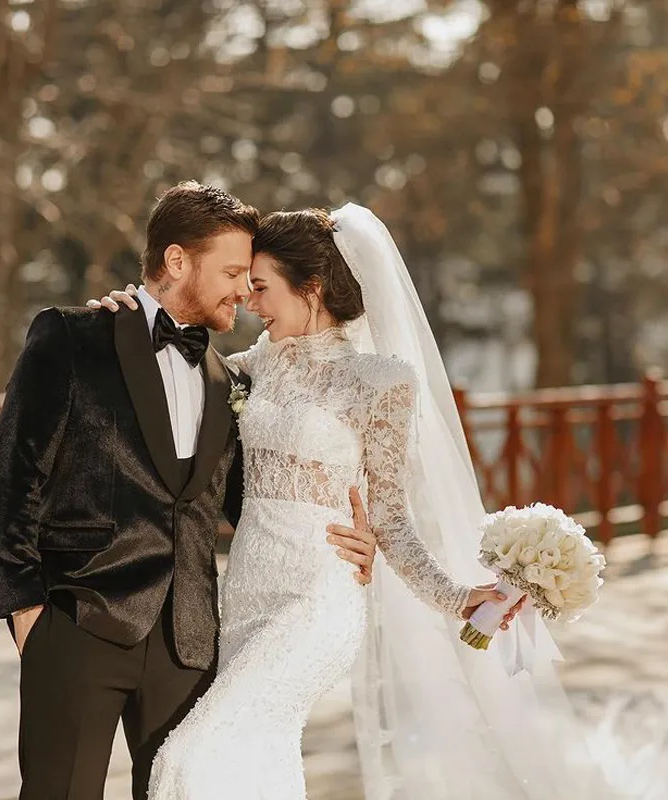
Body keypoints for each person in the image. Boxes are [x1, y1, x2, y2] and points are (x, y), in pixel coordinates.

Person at [92, 202, 534, 800]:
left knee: (190, 759)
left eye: (261, 287)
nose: (249, 302)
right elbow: (168, 366)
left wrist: (457, 597)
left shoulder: (382, 381)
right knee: (259, 760)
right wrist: (121, 317)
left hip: (316, 600)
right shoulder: (247, 369)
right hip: (243, 596)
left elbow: (391, 519)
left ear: (314, 289)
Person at [0, 183, 383, 800]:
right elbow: (12, 478)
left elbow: (257, 496)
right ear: (175, 262)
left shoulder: (231, 377)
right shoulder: (72, 337)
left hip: (189, 643)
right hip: (79, 622)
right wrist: (27, 612)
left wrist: (348, 539)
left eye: (251, 278)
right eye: (231, 272)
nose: (245, 292)